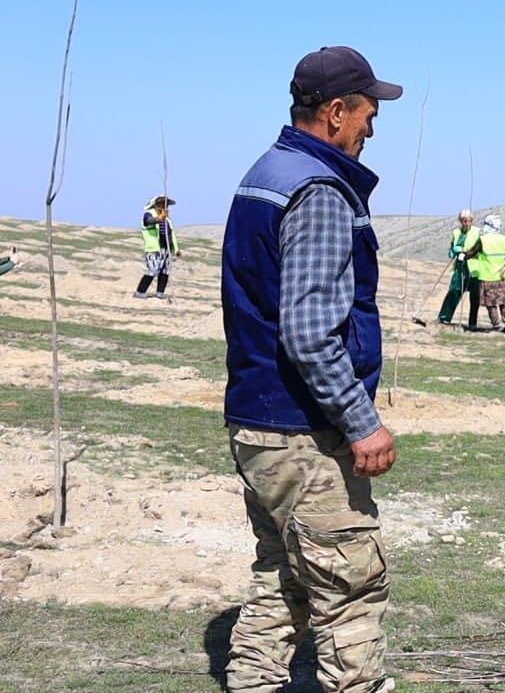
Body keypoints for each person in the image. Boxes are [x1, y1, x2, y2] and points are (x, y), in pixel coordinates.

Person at [220, 45, 401, 693]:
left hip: (256, 418)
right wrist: (361, 422)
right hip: (301, 431)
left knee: (285, 572)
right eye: (366, 115)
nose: (371, 130)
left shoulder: (266, 172)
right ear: (333, 111)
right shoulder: (319, 190)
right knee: (349, 584)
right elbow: (307, 329)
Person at [466, 213, 505, 333]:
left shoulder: (483, 240)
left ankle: (496, 326)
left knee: (491, 303)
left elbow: (472, 252)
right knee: (504, 302)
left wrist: (463, 255)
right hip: (502, 276)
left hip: (488, 276)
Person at [436, 208, 480, 325]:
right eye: (463, 221)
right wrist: (453, 251)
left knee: (475, 296)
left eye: (468, 221)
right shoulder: (456, 232)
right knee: (454, 291)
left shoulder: (478, 232)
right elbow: (452, 246)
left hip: (474, 267)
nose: (466, 223)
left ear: (472, 220)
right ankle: (444, 317)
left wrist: (465, 252)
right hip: (459, 267)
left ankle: (472, 323)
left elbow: (479, 248)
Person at [134, 195, 180, 299]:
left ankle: (160, 292)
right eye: (162, 204)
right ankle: (140, 292)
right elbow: (148, 222)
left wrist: (176, 249)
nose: (165, 207)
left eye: (166, 205)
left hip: (166, 249)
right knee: (153, 270)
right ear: (156, 205)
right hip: (154, 248)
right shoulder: (149, 214)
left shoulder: (168, 219)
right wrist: (159, 218)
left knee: (165, 270)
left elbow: (171, 234)